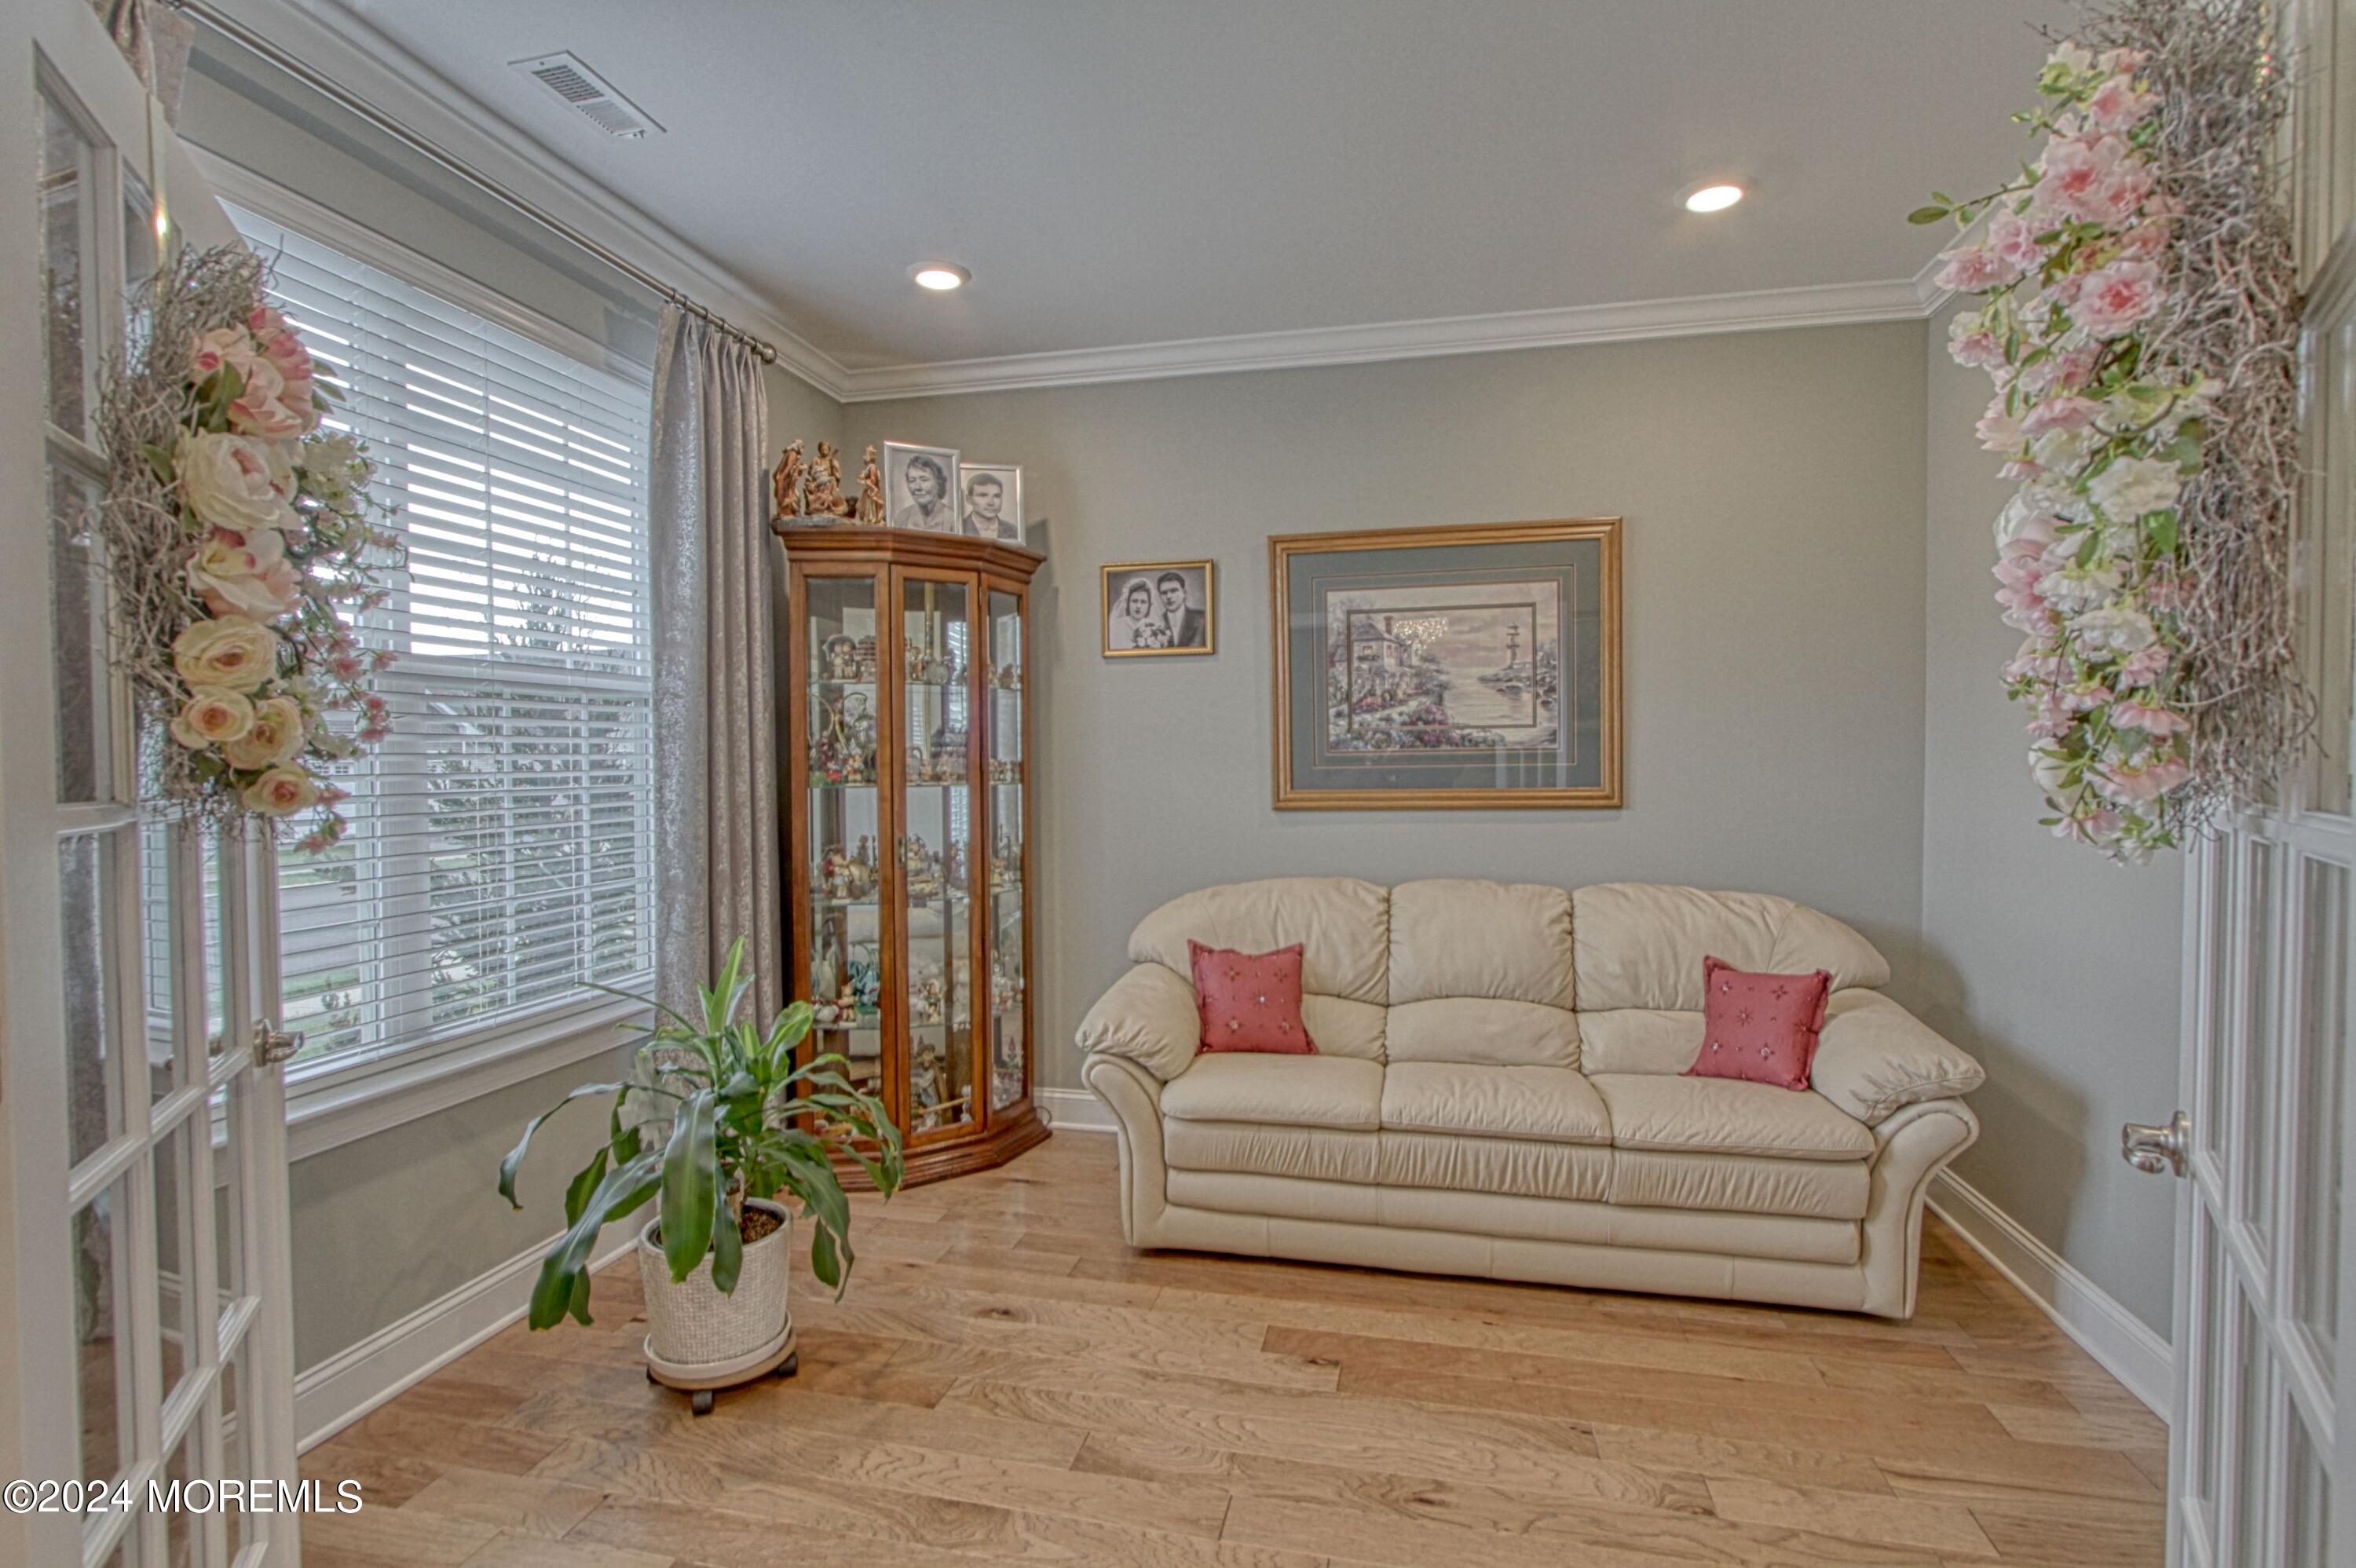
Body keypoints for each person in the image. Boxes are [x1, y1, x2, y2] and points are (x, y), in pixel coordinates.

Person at [894, 454, 954, 532]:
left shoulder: (953, 519)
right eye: (912, 481)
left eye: (924, 480)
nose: (918, 487)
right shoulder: (901, 518)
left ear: (938, 483)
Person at [1112, 578, 1169, 649]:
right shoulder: (1115, 626)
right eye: (1135, 601)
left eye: (1143, 602)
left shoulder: (1155, 629)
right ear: (1127, 602)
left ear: (1150, 605)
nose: (1138, 606)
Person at [1156, 570, 1205, 647]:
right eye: (1164, 593)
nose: (1169, 596)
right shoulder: (1156, 623)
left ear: (1184, 593)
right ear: (1160, 597)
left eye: (1173, 591)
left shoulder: (1202, 618)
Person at [961, 472, 1014, 541]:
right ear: (969, 499)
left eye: (997, 496)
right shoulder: (959, 528)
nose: (991, 503)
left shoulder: (1013, 530)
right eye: (983, 496)